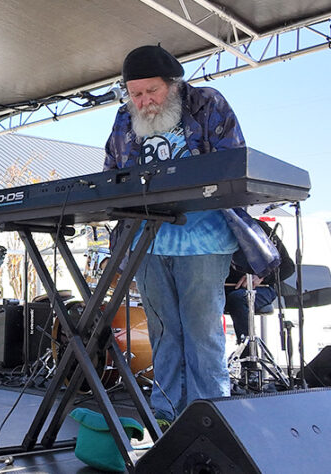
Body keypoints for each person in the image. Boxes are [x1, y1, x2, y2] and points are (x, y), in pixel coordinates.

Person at [104, 45, 279, 428]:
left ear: (173, 85)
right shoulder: (123, 118)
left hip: (204, 240)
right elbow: (112, 174)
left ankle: (212, 419)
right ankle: (166, 418)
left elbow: (232, 161)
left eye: (152, 91)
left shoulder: (206, 104)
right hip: (146, 242)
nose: (145, 101)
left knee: (202, 333)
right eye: (136, 94)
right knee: (163, 332)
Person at [225, 219, 294, 349]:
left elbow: (288, 267)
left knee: (238, 298)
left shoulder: (259, 228)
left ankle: (249, 357)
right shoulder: (213, 227)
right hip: (221, 289)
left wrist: (262, 276)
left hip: (261, 288)